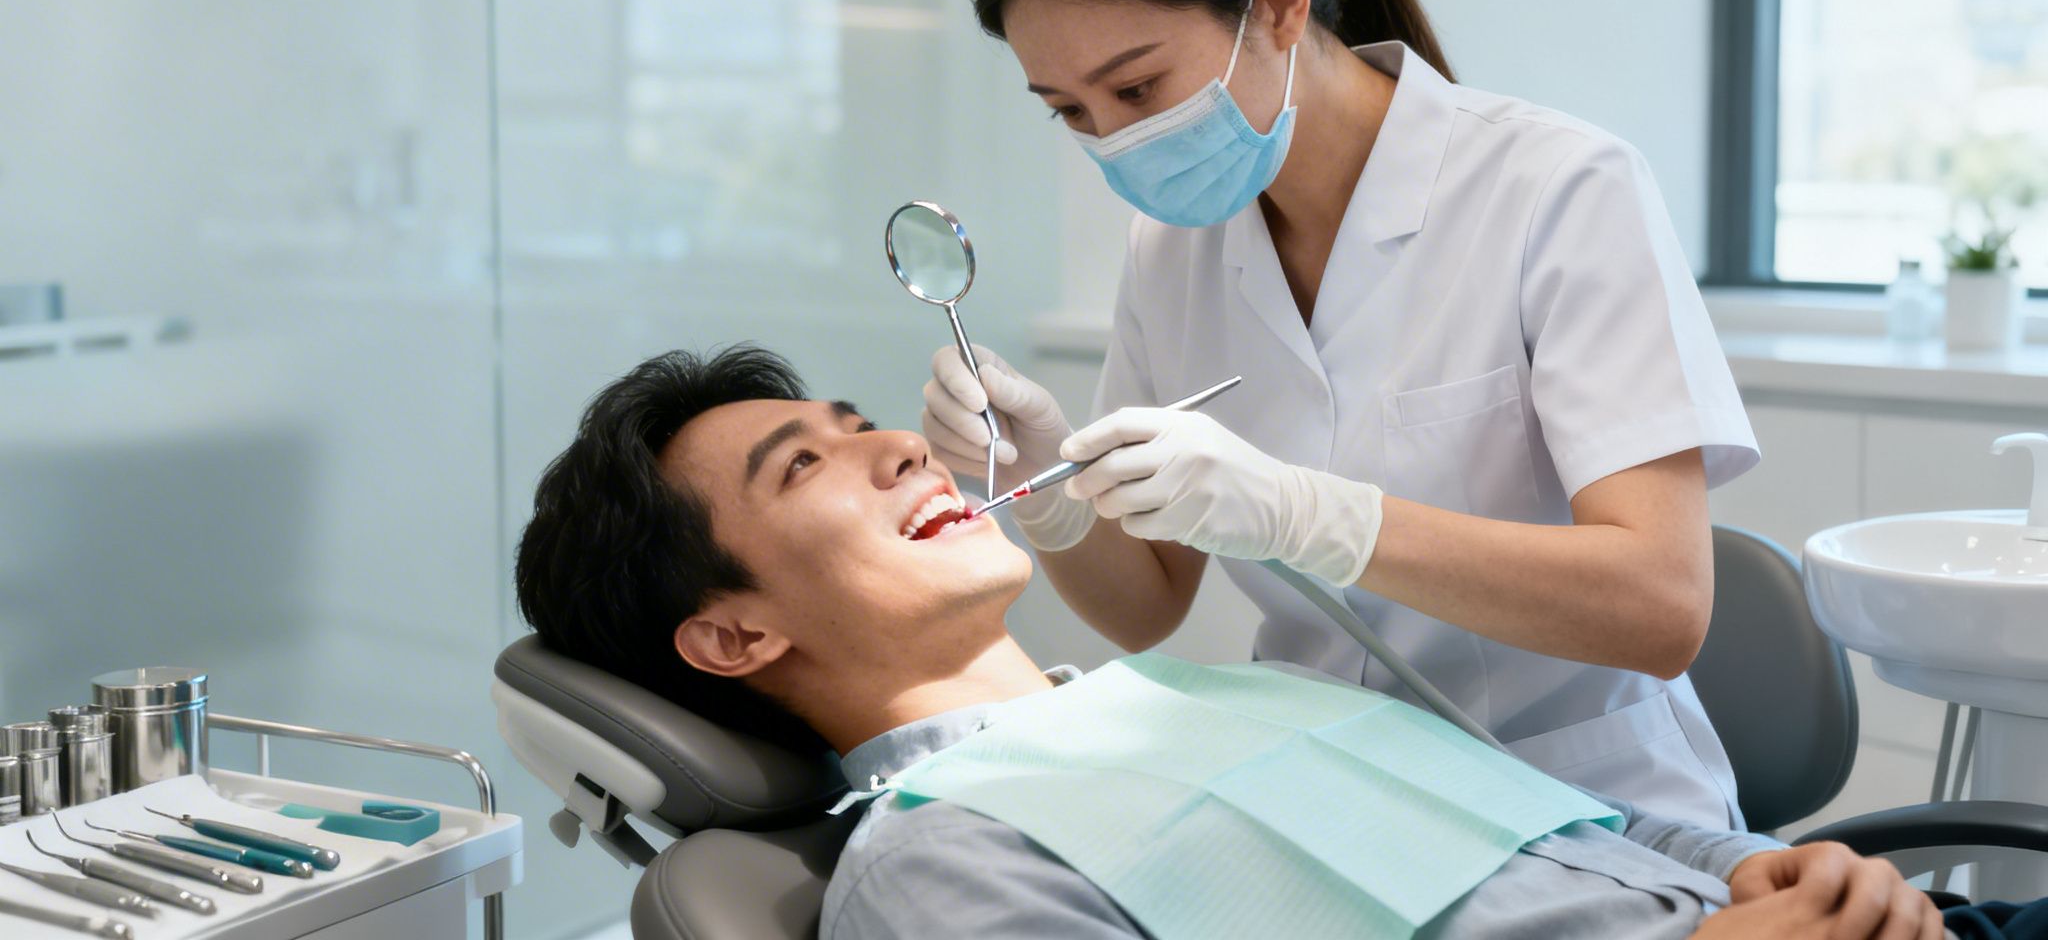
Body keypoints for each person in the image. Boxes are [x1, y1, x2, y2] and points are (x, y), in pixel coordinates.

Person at [921, 0, 1760, 829]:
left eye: (1135, 90)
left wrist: (1314, 516)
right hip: (1334, 804)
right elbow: (1144, 605)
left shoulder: (1557, 188)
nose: (1112, 144)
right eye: (1069, 112)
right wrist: (1040, 485)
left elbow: (1658, 607)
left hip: (1589, 802)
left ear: (1278, 1)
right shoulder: (1174, 250)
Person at [512, 346, 1971, 940]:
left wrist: (1772, 874)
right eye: (805, 466)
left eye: (859, 421)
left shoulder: (1218, 694)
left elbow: (1561, 845)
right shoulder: (939, 867)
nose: (902, 445)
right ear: (733, 634)